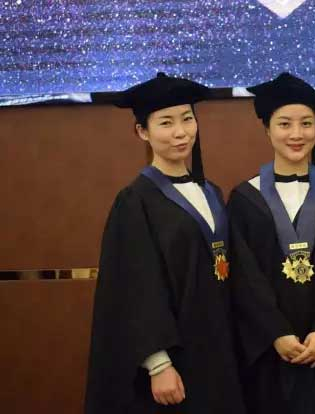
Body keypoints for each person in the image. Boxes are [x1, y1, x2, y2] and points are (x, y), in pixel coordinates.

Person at [85, 73, 246, 414]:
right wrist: (158, 364)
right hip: (174, 360)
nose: (180, 132)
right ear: (142, 131)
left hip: (218, 350)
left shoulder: (211, 193)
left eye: (187, 119)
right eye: (166, 123)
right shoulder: (135, 201)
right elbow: (134, 287)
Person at [227, 73, 315, 414]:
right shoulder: (245, 198)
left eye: (306, 123)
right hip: (271, 353)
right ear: (267, 129)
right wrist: (275, 332)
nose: (296, 134)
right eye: (284, 124)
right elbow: (244, 276)